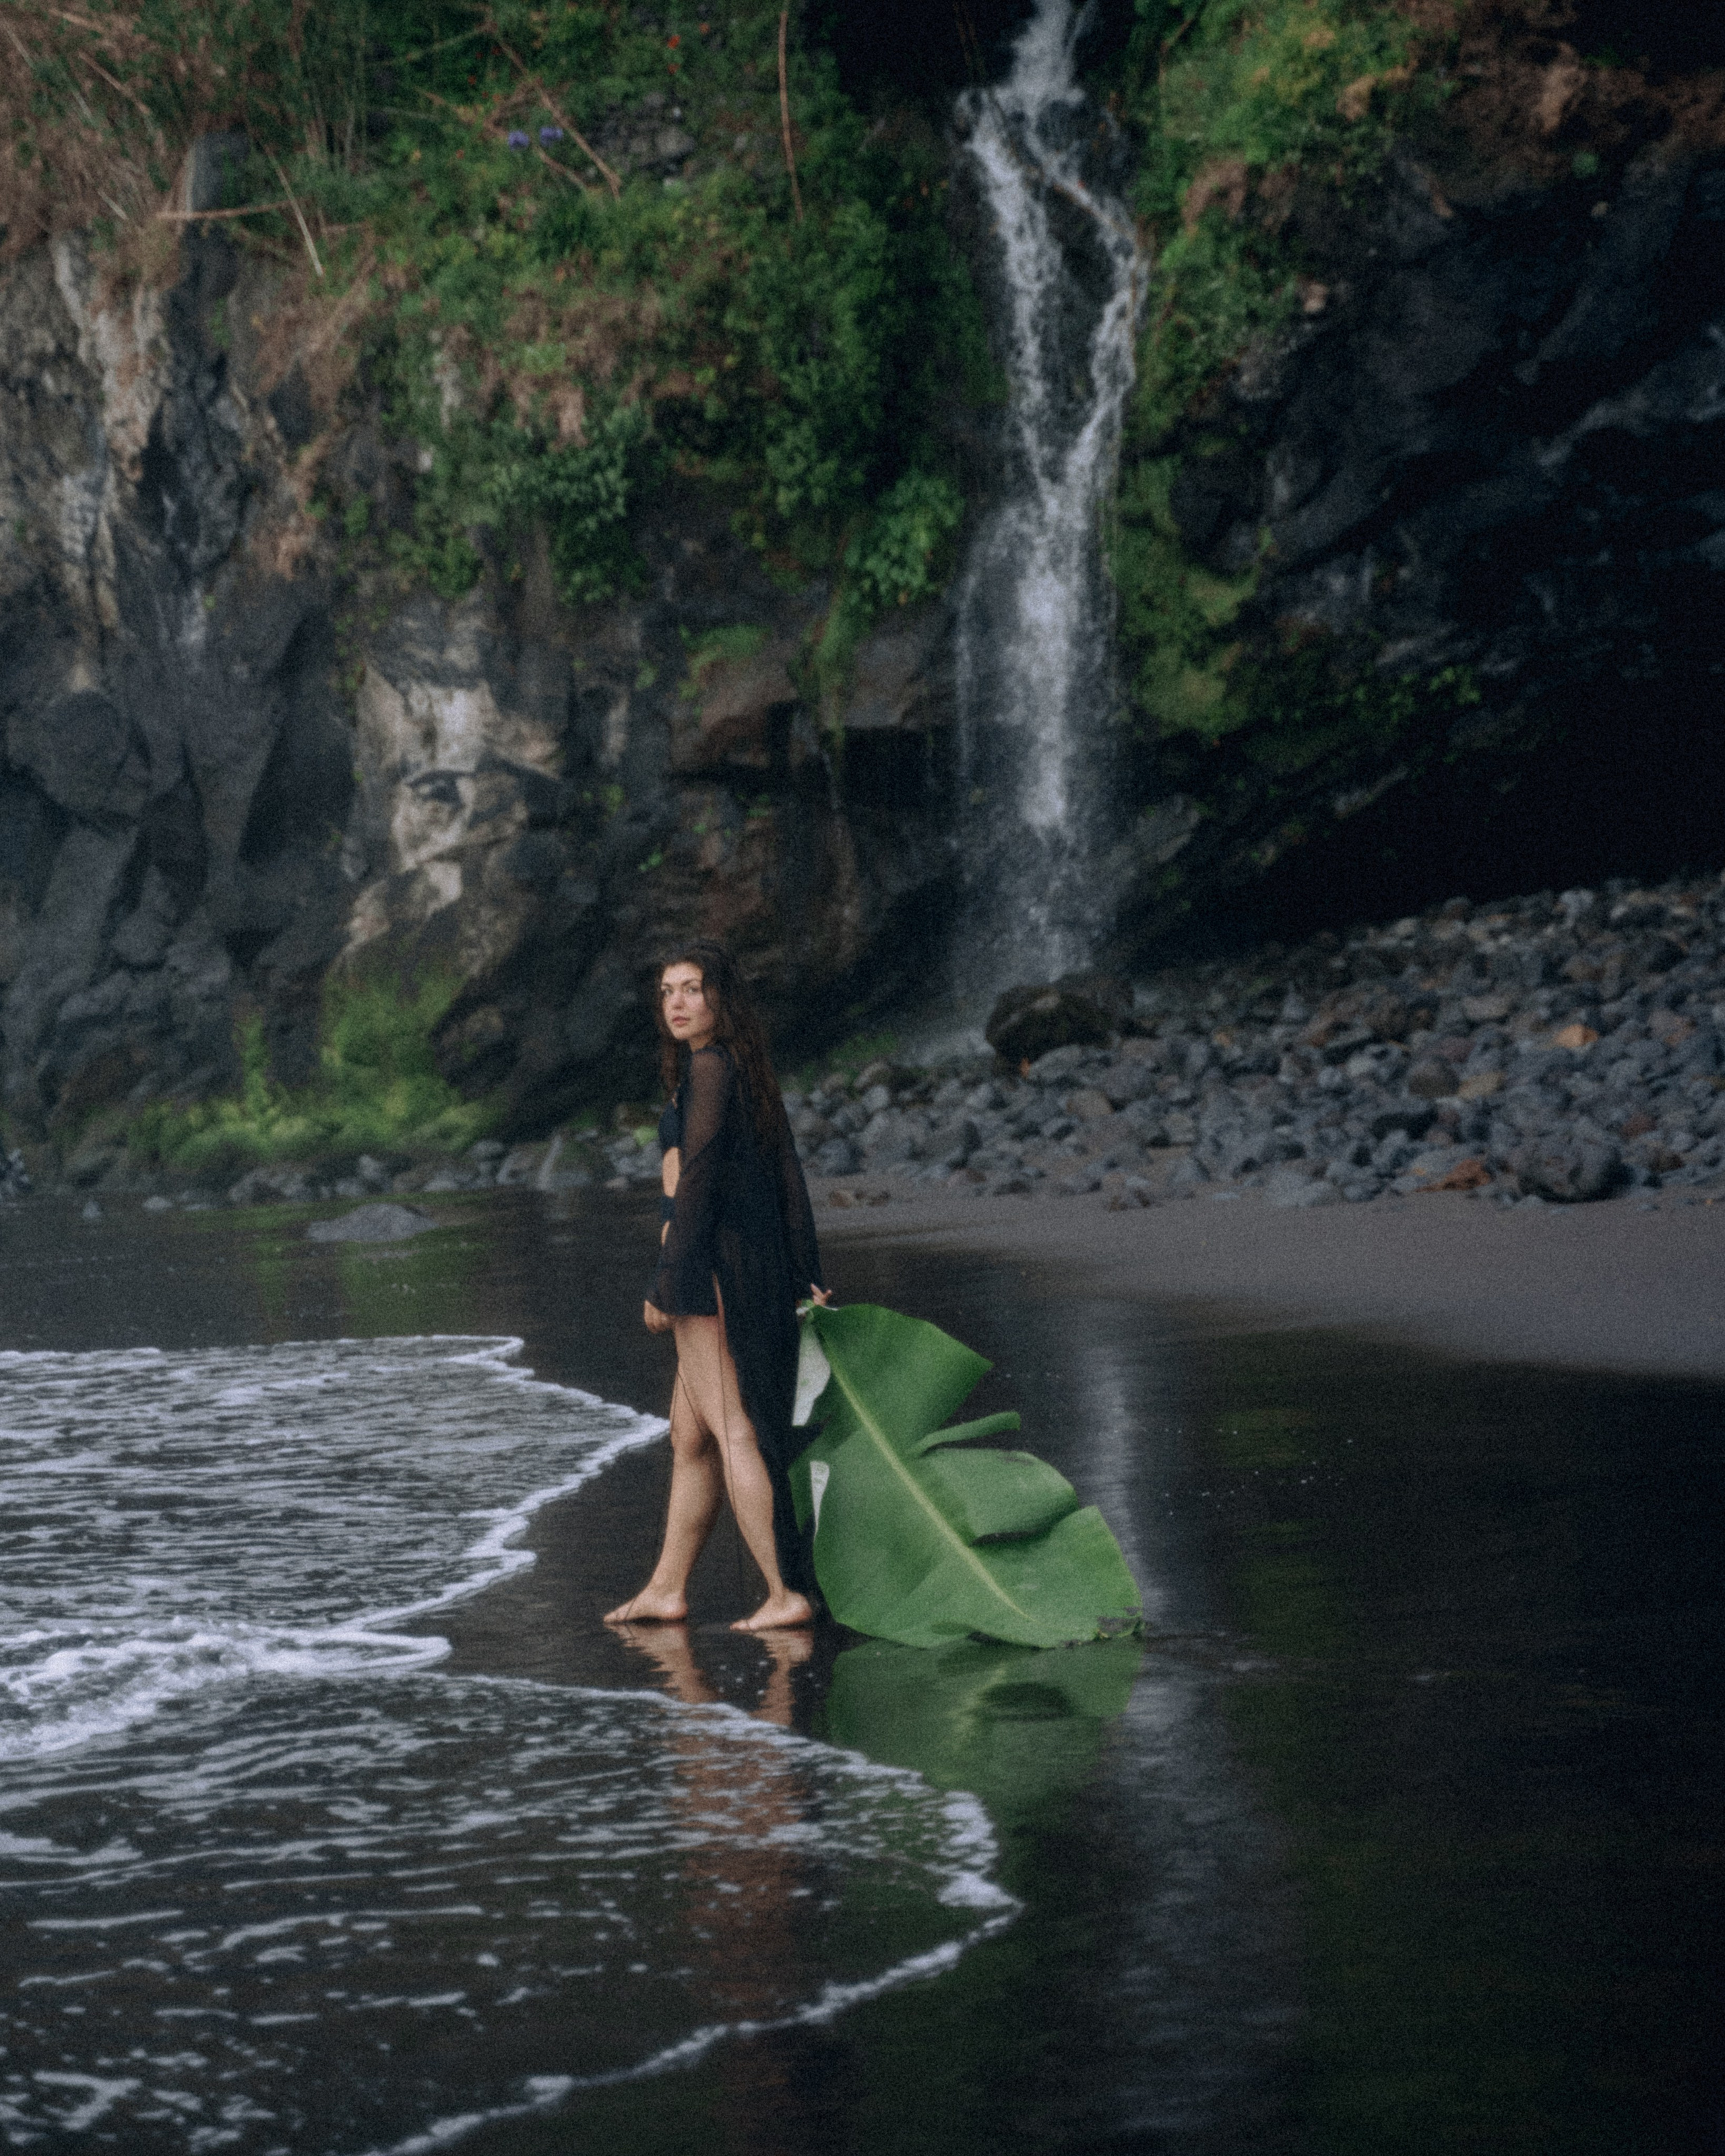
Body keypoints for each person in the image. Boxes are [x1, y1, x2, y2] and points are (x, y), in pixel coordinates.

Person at [604, 941, 830, 1632]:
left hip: (711, 1269)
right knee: (690, 1434)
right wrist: (806, 1267)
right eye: (667, 989)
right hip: (748, 1261)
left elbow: (695, 1182)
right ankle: (667, 1586)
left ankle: (784, 1590)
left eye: (692, 988)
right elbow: (786, 1173)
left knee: (731, 1428)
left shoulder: (708, 1069)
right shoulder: (742, 1070)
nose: (676, 1001)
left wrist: (667, 1280)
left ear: (719, 998)